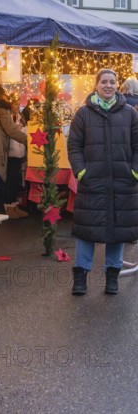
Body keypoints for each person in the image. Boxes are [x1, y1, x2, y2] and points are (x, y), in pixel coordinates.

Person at [67, 68, 138, 296]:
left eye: (112, 81)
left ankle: (112, 278)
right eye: (104, 82)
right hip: (93, 182)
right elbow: (74, 146)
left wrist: (134, 172)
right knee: (87, 230)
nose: (108, 85)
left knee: (118, 230)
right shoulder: (83, 114)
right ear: (96, 85)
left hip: (123, 182)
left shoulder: (130, 113)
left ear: (117, 85)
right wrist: (81, 172)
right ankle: (80, 277)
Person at [2, 99, 28, 218]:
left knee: (16, 179)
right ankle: (8, 206)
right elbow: (8, 132)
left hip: (19, 151)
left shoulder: (20, 116)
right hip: (10, 152)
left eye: (18, 103)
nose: (17, 106)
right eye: (15, 103)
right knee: (10, 180)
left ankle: (14, 204)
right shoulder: (6, 116)